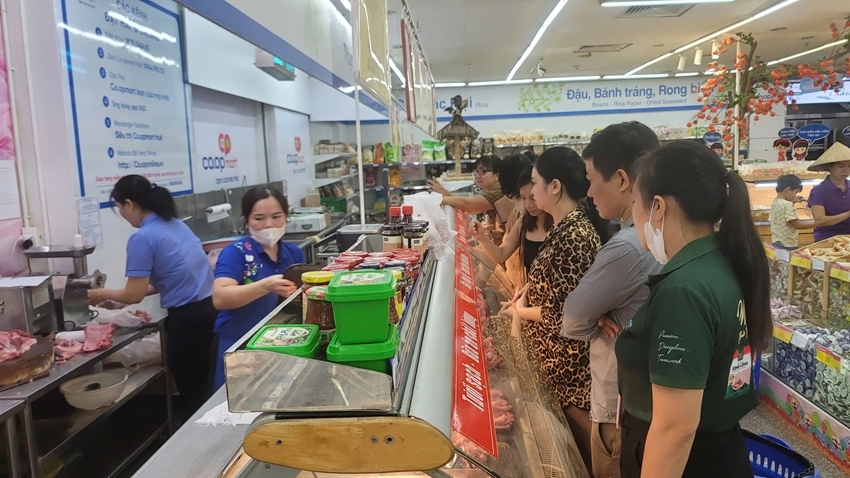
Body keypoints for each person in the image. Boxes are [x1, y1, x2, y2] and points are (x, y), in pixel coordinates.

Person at [616, 140, 771, 478]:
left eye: (634, 202)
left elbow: (675, 429)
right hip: (719, 452)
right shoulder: (722, 262)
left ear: (658, 206)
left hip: (684, 463)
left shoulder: (682, 290)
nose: (631, 215)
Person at [559, 122, 661, 478]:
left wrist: (597, 318)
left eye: (591, 179)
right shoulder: (662, 236)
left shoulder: (626, 248)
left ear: (621, 179)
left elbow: (572, 320)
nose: (588, 192)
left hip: (620, 408)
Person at [504, 147, 612, 474]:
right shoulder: (562, 228)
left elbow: (563, 315)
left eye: (536, 183)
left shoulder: (574, 235)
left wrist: (520, 310)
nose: (532, 192)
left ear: (555, 187)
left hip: (569, 375)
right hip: (557, 369)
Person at [87, 175, 216, 420]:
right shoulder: (175, 224)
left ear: (129, 204)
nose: (122, 214)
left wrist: (101, 294)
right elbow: (170, 278)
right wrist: (118, 297)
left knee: (192, 395)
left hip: (187, 323)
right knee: (205, 388)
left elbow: (134, 295)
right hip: (209, 312)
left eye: (119, 208)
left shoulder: (142, 238)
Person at [211, 187, 304, 388]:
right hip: (240, 346)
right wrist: (265, 286)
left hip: (281, 345)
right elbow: (220, 297)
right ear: (246, 221)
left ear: (286, 217)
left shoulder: (293, 254)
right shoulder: (236, 253)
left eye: (276, 216)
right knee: (237, 402)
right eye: (259, 218)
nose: (269, 224)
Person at [472, 165, 553, 287]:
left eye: (533, 198)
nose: (528, 205)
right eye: (523, 198)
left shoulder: (560, 224)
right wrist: (481, 237)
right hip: (529, 292)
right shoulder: (523, 222)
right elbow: (501, 254)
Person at [806, 142, 850, 241]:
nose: (846, 170)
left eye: (849, 166)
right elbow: (820, 220)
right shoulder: (819, 191)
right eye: (841, 166)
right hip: (827, 238)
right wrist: (847, 215)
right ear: (830, 167)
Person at [771, 174, 811, 250]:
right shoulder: (787, 205)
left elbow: (783, 211)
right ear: (788, 189)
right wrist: (818, 223)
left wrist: (793, 201)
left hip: (777, 242)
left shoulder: (775, 202)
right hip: (788, 244)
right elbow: (798, 225)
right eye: (796, 192)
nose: (795, 195)